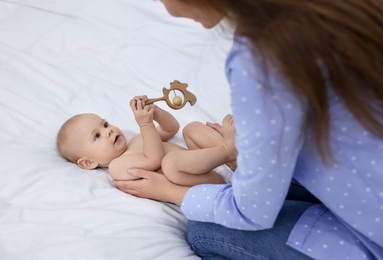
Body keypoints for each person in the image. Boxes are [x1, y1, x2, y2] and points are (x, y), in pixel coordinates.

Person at [113, 0, 383, 259]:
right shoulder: (340, 11)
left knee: (203, 233)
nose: (167, 9)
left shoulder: (259, 59)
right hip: (364, 193)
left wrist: (170, 192)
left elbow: (252, 212)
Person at [57, 95, 236, 186]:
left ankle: (235, 161)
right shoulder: (117, 167)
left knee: (192, 129)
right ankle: (228, 149)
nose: (109, 131)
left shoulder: (137, 139)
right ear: (88, 162)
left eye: (105, 124)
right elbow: (154, 159)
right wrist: (145, 123)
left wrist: (154, 111)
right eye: (97, 136)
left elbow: (171, 128)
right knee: (170, 163)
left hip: (209, 163)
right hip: (205, 181)